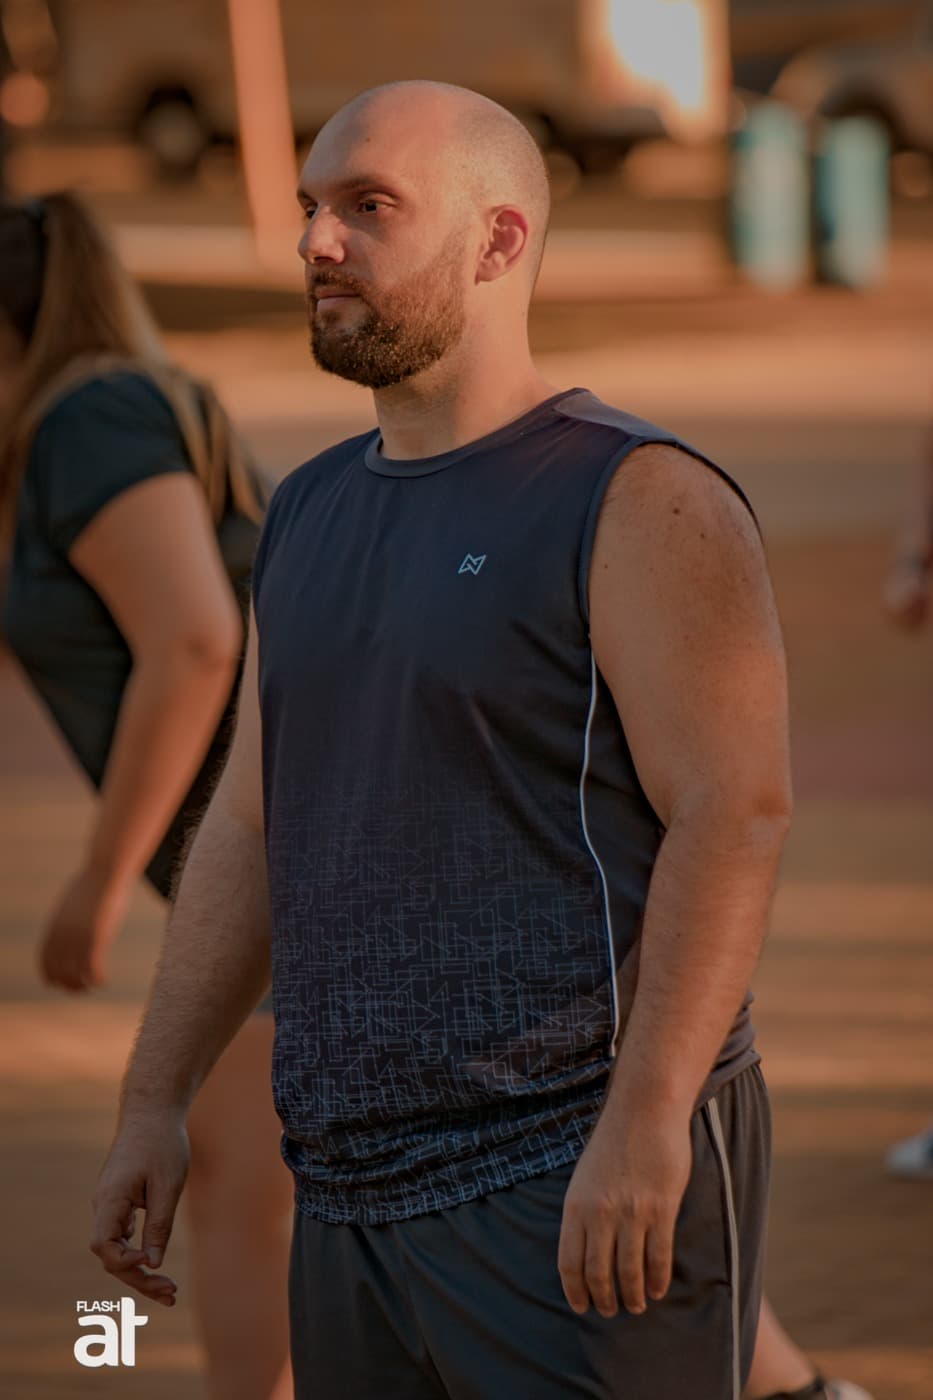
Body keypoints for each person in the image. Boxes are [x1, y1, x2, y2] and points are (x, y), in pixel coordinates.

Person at [90, 81, 793, 1399]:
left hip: (569, 1169)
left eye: (369, 206)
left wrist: (647, 1122)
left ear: (497, 239)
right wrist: (153, 1098)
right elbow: (249, 820)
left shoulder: (636, 494)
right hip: (346, 1189)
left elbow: (734, 813)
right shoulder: (306, 509)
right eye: (311, 207)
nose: (317, 241)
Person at [0, 192, 292, 1400]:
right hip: (277, 855)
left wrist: (97, 878)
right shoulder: (93, 417)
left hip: (292, 853)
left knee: (240, 1184)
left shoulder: (92, 417)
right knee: (252, 1178)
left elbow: (195, 641)